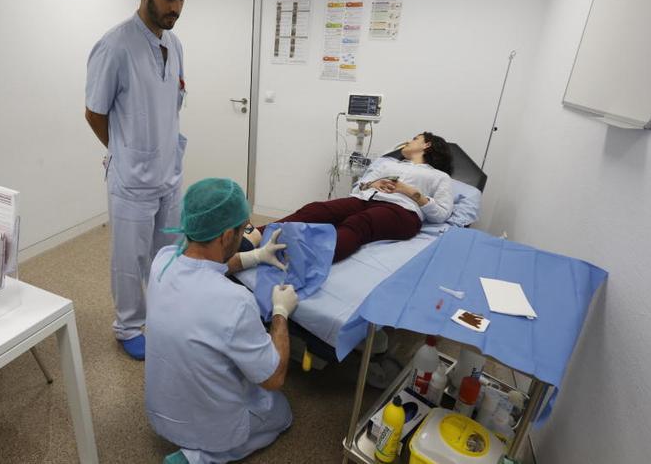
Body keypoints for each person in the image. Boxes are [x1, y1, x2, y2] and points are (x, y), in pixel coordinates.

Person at [84, 0, 200, 359]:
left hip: (169, 170)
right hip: (132, 176)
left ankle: (167, 315)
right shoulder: (115, 46)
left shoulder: (175, 44)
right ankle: (128, 326)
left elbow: (173, 100)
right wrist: (127, 150)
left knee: (169, 250)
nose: (177, 8)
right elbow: (94, 113)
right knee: (129, 259)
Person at [146, 178, 298, 464]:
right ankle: (197, 458)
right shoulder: (236, 302)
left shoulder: (163, 262)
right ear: (227, 235)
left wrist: (254, 256)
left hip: (161, 415)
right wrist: (280, 313)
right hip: (211, 428)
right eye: (243, 229)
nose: (245, 233)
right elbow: (274, 378)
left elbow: (202, 269)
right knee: (281, 411)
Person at [253, 132, 454, 262]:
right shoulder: (388, 164)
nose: (408, 141)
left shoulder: (439, 176)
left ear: (426, 145)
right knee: (315, 210)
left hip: (401, 211)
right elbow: (359, 187)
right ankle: (253, 236)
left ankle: (305, 260)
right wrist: (371, 183)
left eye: (414, 139)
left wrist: (411, 192)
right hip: (365, 200)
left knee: (358, 223)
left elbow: (442, 214)